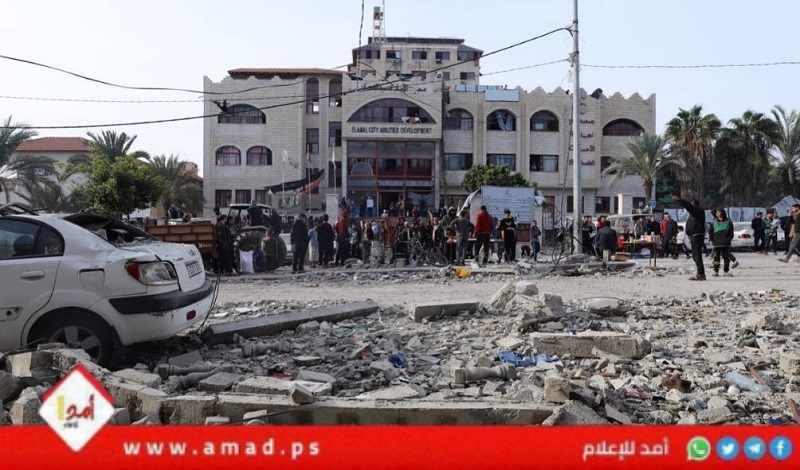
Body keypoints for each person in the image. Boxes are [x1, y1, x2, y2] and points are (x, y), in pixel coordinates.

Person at [672, 195, 706, 281]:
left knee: (697, 255)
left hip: (697, 234)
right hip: (694, 235)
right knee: (695, 255)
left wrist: (680, 200)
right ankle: (700, 273)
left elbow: (689, 206)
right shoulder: (692, 215)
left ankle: (701, 274)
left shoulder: (698, 211)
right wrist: (689, 235)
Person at [708, 208, 734, 277]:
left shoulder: (728, 221)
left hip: (725, 243)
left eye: (719, 212)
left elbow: (731, 232)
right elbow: (710, 232)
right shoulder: (714, 222)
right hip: (716, 242)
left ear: (723, 213)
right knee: (716, 257)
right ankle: (716, 271)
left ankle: (726, 271)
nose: (718, 214)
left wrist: (728, 239)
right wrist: (711, 240)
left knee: (726, 257)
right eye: (717, 213)